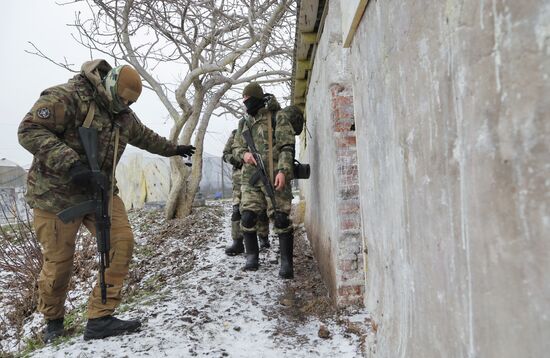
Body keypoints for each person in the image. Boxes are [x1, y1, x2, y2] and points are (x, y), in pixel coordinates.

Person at [18, 59, 196, 343]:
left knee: (122, 243)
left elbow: (144, 136)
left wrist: (173, 149)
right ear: (111, 85)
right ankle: (53, 321)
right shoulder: (68, 96)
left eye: (131, 103)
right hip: (55, 196)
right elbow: (29, 130)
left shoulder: (122, 112)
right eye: (123, 99)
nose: (126, 106)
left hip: (100, 191)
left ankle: (100, 317)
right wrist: (72, 164)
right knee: (59, 262)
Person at [232, 83, 295, 278]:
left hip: (275, 176)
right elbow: (236, 148)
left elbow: (287, 146)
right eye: (243, 101)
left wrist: (283, 171)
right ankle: (252, 257)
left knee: (281, 219)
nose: (245, 104)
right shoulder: (244, 123)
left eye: (248, 100)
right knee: (247, 217)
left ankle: (286, 264)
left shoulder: (277, 117)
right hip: (250, 179)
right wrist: (244, 155)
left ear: (257, 98)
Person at [223, 127, 270, 256]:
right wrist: (239, 160)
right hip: (239, 179)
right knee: (237, 210)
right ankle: (238, 242)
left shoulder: (260, 130)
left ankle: (263, 236)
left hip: (258, 177)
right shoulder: (235, 134)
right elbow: (225, 154)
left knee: (260, 209)